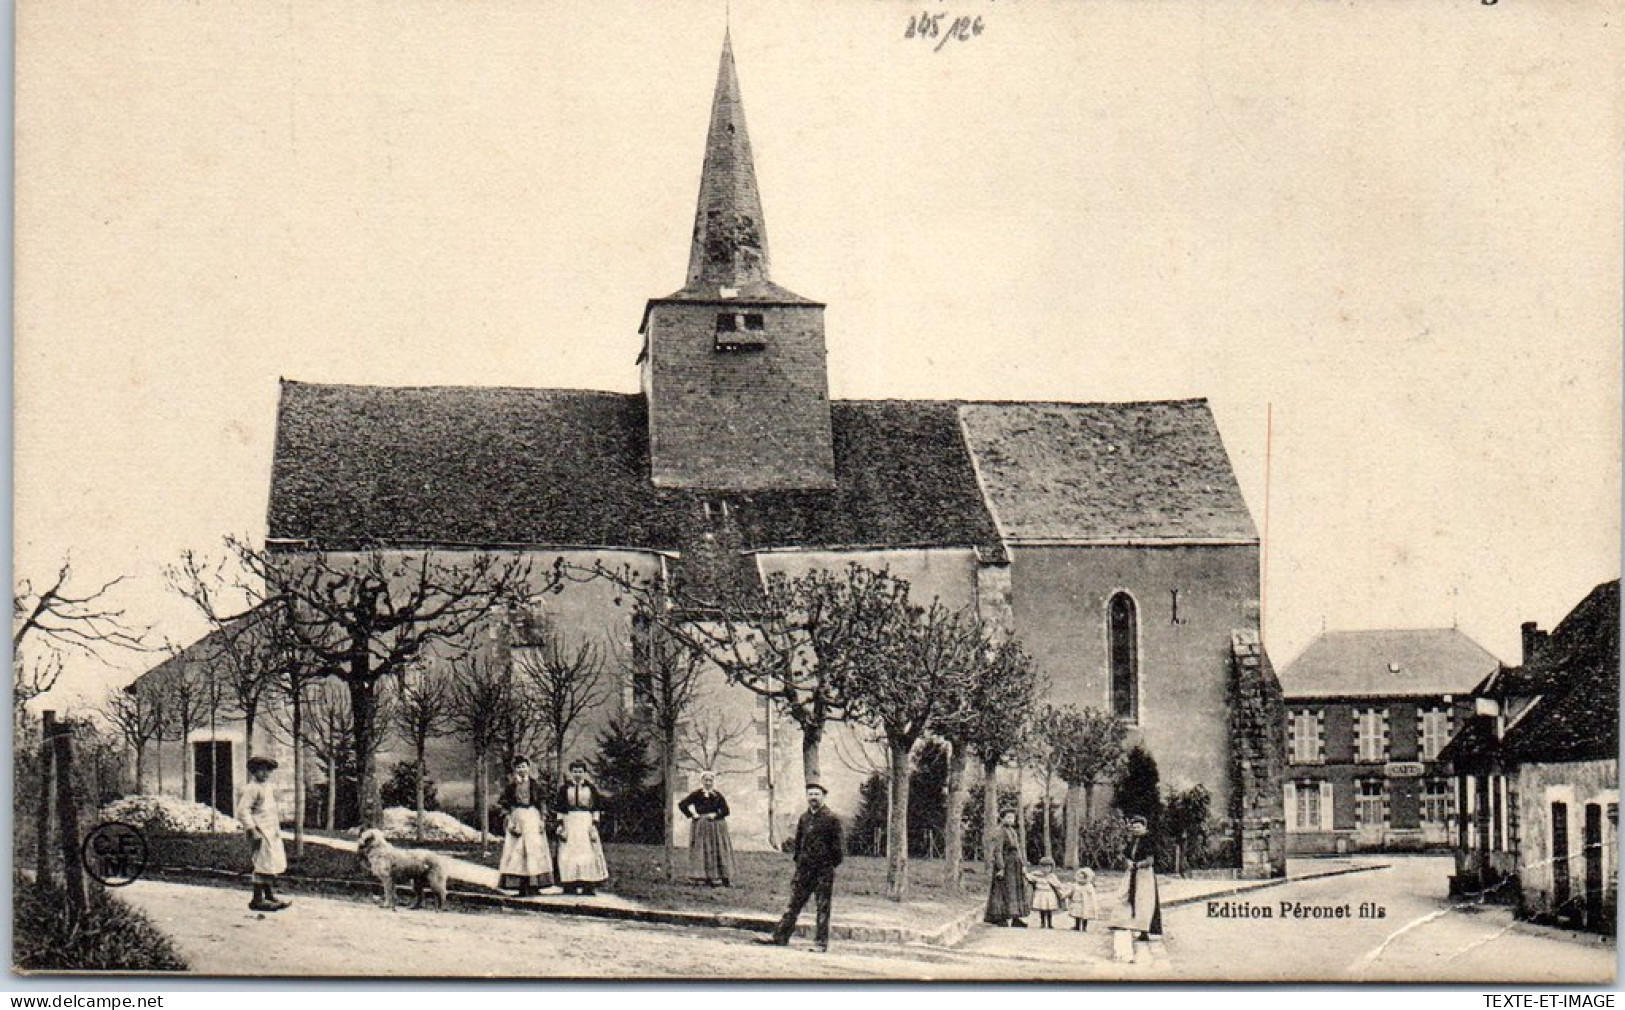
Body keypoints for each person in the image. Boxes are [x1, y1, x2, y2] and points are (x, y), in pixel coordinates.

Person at [758, 782, 843, 952]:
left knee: (822, 907)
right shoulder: (804, 818)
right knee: (793, 904)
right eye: (810, 794)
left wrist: (827, 864)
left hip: (823, 870)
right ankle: (780, 937)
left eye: (816, 794)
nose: (813, 797)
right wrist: (799, 861)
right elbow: (798, 843)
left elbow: (838, 848)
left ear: (823, 797)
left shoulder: (831, 818)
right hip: (804, 870)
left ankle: (820, 944)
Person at [238, 755, 290, 912]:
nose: (265, 774)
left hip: (270, 830)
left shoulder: (267, 787)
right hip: (259, 831)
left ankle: (268, 895)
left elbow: (269, 810)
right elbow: (243, 810)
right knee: (261, 863)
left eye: (268, 771)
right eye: (261, 771)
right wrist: (252, 829)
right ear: (254, 772)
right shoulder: (252, 789)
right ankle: (257, 899)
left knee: (270, 863)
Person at [497, 756, 554, 896]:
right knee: (517, 852)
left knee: (534, 850)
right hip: (517, 818)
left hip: (532, 818)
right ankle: (521, 885)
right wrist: (509, 819)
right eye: (518, 767)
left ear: (529, 768)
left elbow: (542, 803)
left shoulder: (536, 785)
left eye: (524, 766)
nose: (522, 770)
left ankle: (534, 885)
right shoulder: (511, 787)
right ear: (515, 770)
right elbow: (505, 805)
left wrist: (542, 819)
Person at [554, 759, 609, 896]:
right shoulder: (564, 789)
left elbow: (596, 808)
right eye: (575, 771)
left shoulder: (591, 789)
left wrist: (594, 825)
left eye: (580, 771)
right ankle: (569, 884)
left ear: (585, 773)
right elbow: (560, 808)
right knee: (569, 853)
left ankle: (588, 885)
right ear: (571, 772)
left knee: (587, 853)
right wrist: (560, 825)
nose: (577, 774)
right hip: (570, 821)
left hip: (585, 822)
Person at [678, 771, 734, 886]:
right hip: (702, 826)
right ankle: (705, 877)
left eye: (710, 780)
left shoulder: (717, 795)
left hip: (717, 826)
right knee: (704, 849)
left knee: (719, 850)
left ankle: (724, 878)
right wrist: (692, 815)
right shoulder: (697, 794)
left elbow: (726, 811)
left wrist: (716, 815)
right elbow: (682, 804)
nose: (708, 783)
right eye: (706, 780)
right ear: (702, 781)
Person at [983, 810, 1030, 927]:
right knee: (1002, 890)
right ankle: (1000, 917)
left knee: (1016, 891)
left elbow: (1018, 849)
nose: (1011, 820)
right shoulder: (999, 831)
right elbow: (997, 851)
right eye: (1008, 817)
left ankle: (1015, 917)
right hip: (1005, 864)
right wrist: (1001, 867)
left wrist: (1023, 865)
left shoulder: (1013, 831)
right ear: (1002, 818)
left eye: (1013, 818)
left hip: (1015, 865)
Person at [1025, 855, 1064, 929]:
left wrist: (1060, 891)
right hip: (1040, 893)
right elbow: (1030, 878)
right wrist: (1025, 873)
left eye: (1048, 867)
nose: (1045, 869)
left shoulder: (1052, 876)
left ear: (1051, 868)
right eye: (1043, 867)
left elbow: (1057, 884)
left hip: (1049, 894)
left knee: (1049, 909)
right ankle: (1042, 923)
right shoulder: (1037, 875)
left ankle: (1049, 923)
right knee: (1042, 908)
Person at [1068, 866, 1099, 932]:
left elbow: (1092, 896)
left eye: (1083, 878)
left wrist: (1091, 902)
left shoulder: (1089, 886)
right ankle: (1077, 926)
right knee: (1077, 914)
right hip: (1077, 902)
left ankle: (1084, 927)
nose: (1081, 879)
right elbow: (1070, 891)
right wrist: (1066, 895)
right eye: (1079, 877)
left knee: (1085, 915)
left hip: (1085, 903)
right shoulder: (1075, 885)